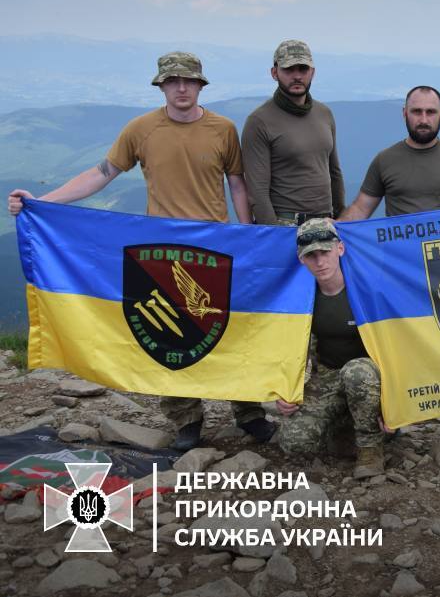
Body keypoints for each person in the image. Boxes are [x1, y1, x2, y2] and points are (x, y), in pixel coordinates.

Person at [7, 52, 273, 451]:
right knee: (171, 335)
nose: (181, 88)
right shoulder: (141, 129)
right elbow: (102, 174)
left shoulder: (224, 129)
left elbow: (237, 184)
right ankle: (186, 418)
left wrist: (247, 236)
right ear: (161, 86)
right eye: (172, 81)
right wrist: (42, 202)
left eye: (188, 81)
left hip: (214, 249)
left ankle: (248, 412)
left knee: (229, 329)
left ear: (200, 85)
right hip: (162, 254)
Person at [338, 85, 440, 439]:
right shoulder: (385, 160)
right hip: (398, 270)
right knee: (399, 341)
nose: (424, 119)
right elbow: (360, 210)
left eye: (431, 112)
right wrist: (331, 228)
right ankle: (395, 412)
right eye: (417, 112)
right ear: (405, 114)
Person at [277, 218, 387, 478]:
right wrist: (285, 390)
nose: (320, 262)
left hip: (370, 376)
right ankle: (344, 425)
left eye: (325, 252)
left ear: (340, 248)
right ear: (301, 259)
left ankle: (370, 447)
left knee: (356, 371)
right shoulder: (302, 298)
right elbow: (290, 349)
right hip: (326, 375)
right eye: (311, 255)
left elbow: (398, 347)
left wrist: (399, 404)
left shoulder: (366, 290)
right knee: (294, 441)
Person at [241, 39, 346, 225]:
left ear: (312, 72)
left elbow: (334, 172)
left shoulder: (324, 114)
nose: (297, 76)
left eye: (303, 69)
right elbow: (257, 190)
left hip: (327, 223)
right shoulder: (259, 121)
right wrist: (274, 235)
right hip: (285, 224)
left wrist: (342, 219)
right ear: (274, 73)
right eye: (289, 69)